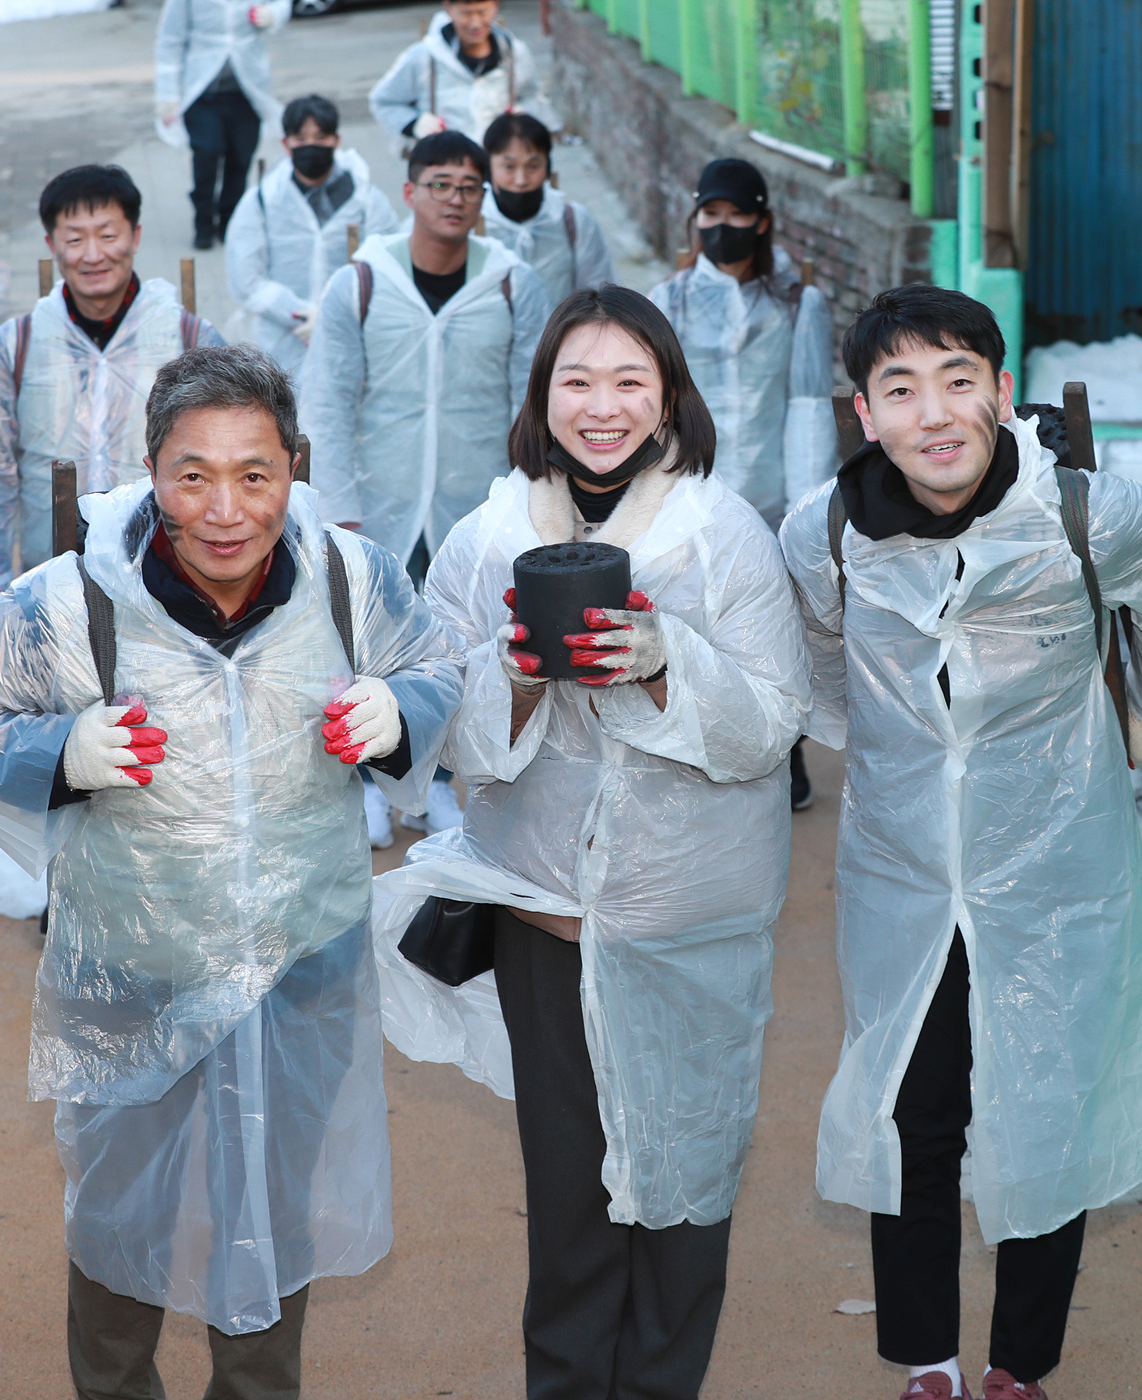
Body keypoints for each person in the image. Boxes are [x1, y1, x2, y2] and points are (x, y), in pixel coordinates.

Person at [0, 344, 465, 1400]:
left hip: (301, 961)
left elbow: (437, 660)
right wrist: (58, 750)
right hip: (131, 965)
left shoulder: (349, 579)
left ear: (294, 467)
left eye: (255, 473)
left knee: (274, 1210)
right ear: (151, 470)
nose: (225, 509)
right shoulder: (76, 602)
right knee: (122, 1213)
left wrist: (403, 710)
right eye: (192, 474)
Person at [778, 286, 1142, 1400]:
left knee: (1046, 1102)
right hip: (903, 875)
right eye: (900, 390)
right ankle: (929, 1360)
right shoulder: (824, 532)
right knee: (913, 1109)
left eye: (957, 381)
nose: (934, 414)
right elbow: (826, 668)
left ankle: (1019, 1365)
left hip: (1055, 869)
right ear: (865, 413)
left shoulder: (1089, 518)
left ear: (998, 388)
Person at [370, 286, 810, 1400]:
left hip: (692, 931)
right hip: (547, 922)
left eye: (629, 381)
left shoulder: (723, 533)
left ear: (669, 396)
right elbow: (438, 730)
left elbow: (773, 724)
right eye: (577, 380)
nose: (601, 407)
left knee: (686, 1192)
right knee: (570, 1202)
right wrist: (515, 676)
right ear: (541, 396)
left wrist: (666, 663)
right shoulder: (486, 539)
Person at [302, 129, 550, 846]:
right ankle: (368, 786)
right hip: (378, 498)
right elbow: (328, 400)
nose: (455, 199)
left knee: (453, 649)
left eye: (470, 187)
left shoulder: (512, 284)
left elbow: (531, 402)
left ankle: (436, 783)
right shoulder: (360, 283)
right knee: (363, 646)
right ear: (409, 192)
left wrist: (523, 500)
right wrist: (339, 508)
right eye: (440, 184)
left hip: (475, 502)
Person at [0, 165, 225, 618]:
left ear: (135, 236)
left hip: (170, 584)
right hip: (50, 587)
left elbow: (226, 458)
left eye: (108, 235)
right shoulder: (17, 345)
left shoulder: (189, 339)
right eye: (75, 240)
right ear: (52, 246)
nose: (93, 255)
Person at [649, 156, 835, 809]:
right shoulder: (666, 301)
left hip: (773, 490)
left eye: (736, 214)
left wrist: (805, 510)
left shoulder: (798, 303)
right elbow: (657, 406)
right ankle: (700, 745)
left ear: (761, 220)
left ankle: (787, 749)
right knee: (693, 623)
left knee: (775, 630)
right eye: (711, 213)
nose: (722, 225)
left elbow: (807, 404)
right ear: (695, 217)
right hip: (691, 490)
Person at [223, 92, 400, 375]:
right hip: (278, 344)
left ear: (337, 140)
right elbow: (246, 280)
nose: (311, 146)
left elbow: (387, 268)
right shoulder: (261, 203)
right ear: (286, 144)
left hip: (351, 336)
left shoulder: (367, 201)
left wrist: (332, 314)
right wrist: (300, 315)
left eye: (321, 137)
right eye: (301, 138)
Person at [155, 0, 291, 249]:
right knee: (207, 150)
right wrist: (167, 95)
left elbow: (282, 4)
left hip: (246, 89)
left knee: (240, 157)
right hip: (202, 91)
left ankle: (231, 221)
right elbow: (170, 39)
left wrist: (273, 14)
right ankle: (203, 220)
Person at [369, 0, 554, 154]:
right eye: (466, 14)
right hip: (444, 168)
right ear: (449, 8)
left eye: (482, 12)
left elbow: (533, 96)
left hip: (499, 166)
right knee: (444, 183)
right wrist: (414, 124)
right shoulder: (423, 56)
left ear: (495, 6)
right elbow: (383, 101)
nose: (475, 23)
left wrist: (523, 114)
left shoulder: (515, 53)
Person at [480, 111, 614, 303]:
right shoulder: (473, 227)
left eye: (533, 166)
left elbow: (599, 292)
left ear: (548, 167)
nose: (521, 180)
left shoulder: (574, 222)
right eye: (509, 167)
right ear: (489, 167)